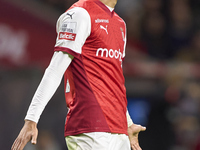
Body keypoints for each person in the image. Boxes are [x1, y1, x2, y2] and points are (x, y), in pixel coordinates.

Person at [11, 0, 146, 150]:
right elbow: (55, 70)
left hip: (119, 130)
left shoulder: (120, 24)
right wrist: (31, 119)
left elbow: (113, 81)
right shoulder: (79, 14)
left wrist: (127, 123)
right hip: (90, 128)